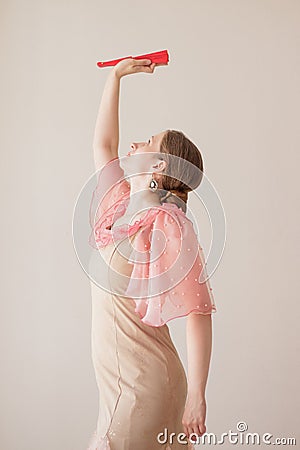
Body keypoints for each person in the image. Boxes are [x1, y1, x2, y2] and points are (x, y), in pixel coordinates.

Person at [87, 58, 217, 450]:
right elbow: (103, 145)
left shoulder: (170, 224)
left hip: (145, 390)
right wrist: (116, 77)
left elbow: (198, 312)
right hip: (121, 389)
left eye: (147, 142)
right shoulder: (120, 206)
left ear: (159, 165)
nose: (135, 144)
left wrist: (197, 394)